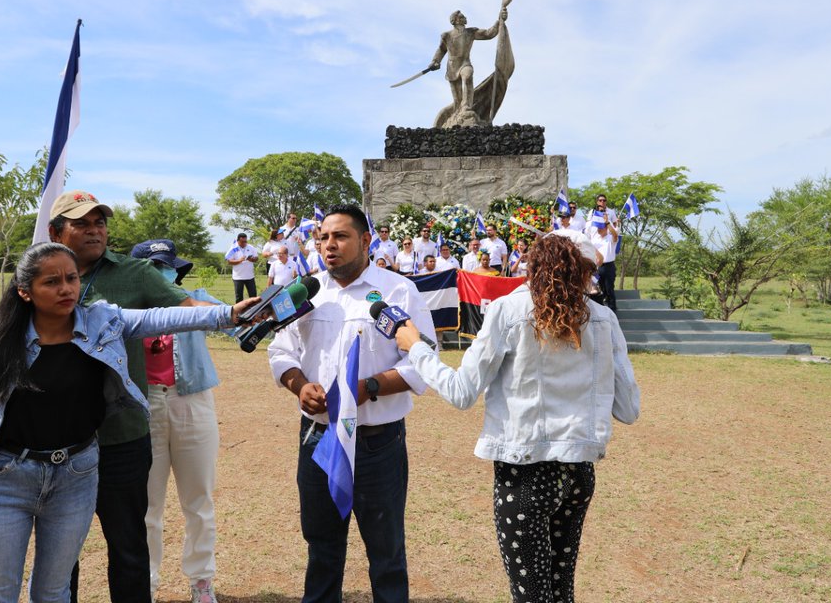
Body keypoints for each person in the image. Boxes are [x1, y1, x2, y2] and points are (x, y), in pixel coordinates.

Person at [0, 241, 255, 603]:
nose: (66, 289)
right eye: (52, 282)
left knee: (53, 590)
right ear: (25, 291)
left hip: (74, 477)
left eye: (72, 278)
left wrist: (228, 314)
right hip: (7, 478)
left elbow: (161, 316)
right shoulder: (2, 339)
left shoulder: (101, 321)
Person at [394, 236, 640, 603]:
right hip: (578, 474)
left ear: (534, 265)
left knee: (532, 595)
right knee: (560, 590)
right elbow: (628, 409)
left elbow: (461, 392)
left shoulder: (509, 311)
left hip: (524, 475)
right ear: (586, 272)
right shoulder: (603, 319)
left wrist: (415, 346)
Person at [47, 190, 215, 603]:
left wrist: (234, 315)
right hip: (57, 440)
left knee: (129, 544)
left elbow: (185, 308)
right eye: (82, 223)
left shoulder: (134, 274)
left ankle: (187, 584)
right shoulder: (38, 275)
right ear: (55, 232)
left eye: (100, 222)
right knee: (59, 551)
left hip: (123, 434)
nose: (94, 230)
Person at [266, 204, 436, 603]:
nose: (329, 245)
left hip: (377, 442)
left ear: (365, 241)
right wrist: (299, 385)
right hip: (318, 438)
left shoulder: (397, 291)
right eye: (323, 237)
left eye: (339, 237)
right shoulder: (306, 291)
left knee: (386, 550)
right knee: (322, 546)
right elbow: (280, 351)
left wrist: (369, 386)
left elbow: (422, 362)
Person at [131, 240, 226, 603]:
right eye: (156, 267)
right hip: (143, 404)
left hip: (193, 400)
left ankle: (201, 580)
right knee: (146, 505)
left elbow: (235, 321)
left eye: (169, 267)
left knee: (198, 499)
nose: (165, 274)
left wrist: (266, 311)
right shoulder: (127, 309)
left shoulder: (196, 300)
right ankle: (146, 583)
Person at [426, 8, 508, 119]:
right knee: (457, 99)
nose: (465, 18)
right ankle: (458, 113)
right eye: (462, 17)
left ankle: (467, 107)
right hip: (452, 68)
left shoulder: (471, 32)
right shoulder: (447, 36)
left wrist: (499, 20)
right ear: (455, 21)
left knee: (468, 76)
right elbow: (441, 50)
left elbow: (489, 33)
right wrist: (435, 61)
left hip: (465, 63)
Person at [588, 212, 620, 313]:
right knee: (598, 289)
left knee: (609, 288)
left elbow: (615, 234)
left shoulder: (610, 238)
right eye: (597, 228)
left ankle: (612, 309)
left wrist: (607, 222)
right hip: (597, 268)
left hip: (608, 267)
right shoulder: (594, 239)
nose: (598, 229)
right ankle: (601, 310)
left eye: (601, 227)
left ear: (605, 228)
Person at [226, 233, 259, 302]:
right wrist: (239, 260)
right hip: (238, 277)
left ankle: (254, 311)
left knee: (253, 296)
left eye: (245, 241)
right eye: (242, 242)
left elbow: (256, 258)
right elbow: (229, 261)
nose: (244, 243)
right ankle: (239, 312)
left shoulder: (251, 247)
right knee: (239, 297)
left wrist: (252, 259)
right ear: (238, 241)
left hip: (250, 276)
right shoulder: (233, 249)